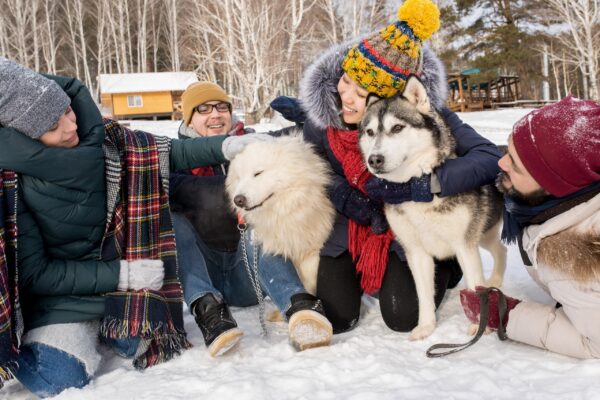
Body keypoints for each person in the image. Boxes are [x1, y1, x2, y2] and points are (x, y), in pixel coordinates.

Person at [0, 58, 264, 397]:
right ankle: (35, 343)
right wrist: (123, 275)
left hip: (122, 287)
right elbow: (38, 275)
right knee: (60, 378)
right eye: (53, 127)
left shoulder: (107, 140)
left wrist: (227, 146)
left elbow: (170, 152)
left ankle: (114, 329)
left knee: (141, 345)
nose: (70, 126)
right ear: (26, 138)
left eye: (67, 110)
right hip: (60, 299)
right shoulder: (13, 185)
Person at [297, 0, 502, 334]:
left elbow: (489, 158)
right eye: (345, 81)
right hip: (352, 230)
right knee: (338, 318)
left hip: (409, 229)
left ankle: (447, 262)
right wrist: (351, 200)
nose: (345, 97)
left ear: (385, 97)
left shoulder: (425, 115)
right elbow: (319, 172)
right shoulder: (321, 123)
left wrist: (426, 185)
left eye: (361, 91)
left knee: (403, 317)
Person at [169, 81, 333, 357]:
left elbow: (297, 140)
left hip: (249, 272)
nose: (215, 114)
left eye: (222, 107)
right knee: (172, 221)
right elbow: (183, 188)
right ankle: (209, 313)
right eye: (203, 109)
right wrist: (240, 189)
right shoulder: (174, 156)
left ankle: (299, 306)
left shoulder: (255, 145)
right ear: (189, 119)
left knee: (261, 218)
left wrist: (308, 114)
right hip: (202, 271)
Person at [460, 96, 600, 359]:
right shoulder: (562, 201)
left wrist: (507, 314)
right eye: (508, 151)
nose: (501, 163)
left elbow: (596, 342)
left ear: (555, 186)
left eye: (515, 163)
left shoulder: (576, 259)